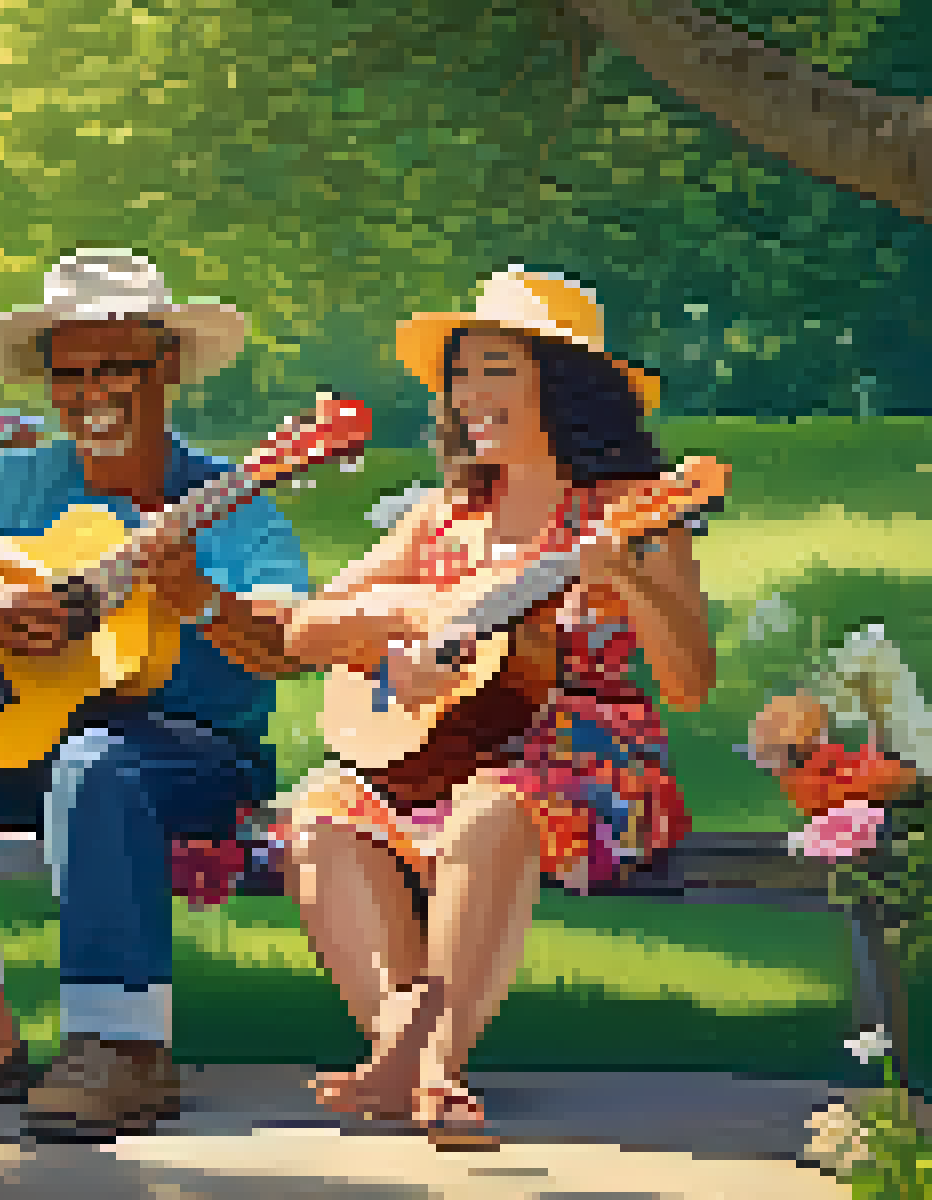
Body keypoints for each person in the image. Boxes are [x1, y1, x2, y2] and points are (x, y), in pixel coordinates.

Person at [0, 250, 314, 1139]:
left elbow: (284, 646)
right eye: (69, 374)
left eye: (116, 368)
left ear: (169, 367)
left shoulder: (232, 502)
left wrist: (200, 602)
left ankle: (123, 1046)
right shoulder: (17, 480)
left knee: (98, 763)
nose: (89, 392)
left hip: (189, 749)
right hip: (24, 736)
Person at [273, 266, 713, 1146]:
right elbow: (304, 630)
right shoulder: (444, 519)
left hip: (587, 762)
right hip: (438, 756)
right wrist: (415, 622)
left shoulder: (631, 513)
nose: (470, 394)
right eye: (461, 375)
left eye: (495, 369)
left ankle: (426, 1069)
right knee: (320, 813)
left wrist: (629, 578)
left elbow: (691, 681)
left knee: (490, 807)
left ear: (563, 383)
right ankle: (416, 1055)